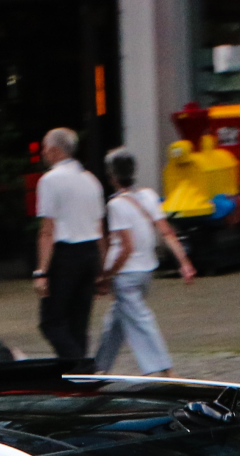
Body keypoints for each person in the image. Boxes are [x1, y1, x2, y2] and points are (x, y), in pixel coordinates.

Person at [92, 147, 193, 375]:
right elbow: (166, 232)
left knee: (141, 321)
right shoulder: (148, 196)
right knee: (117, 322)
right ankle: (98, 369)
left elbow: (126, 247)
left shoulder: (116, 205)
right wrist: (184, 261)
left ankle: (166, 370)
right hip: (147, 271)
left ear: (112, 176)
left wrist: (107, 274)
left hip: (126, 275)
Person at [30, 126, 104, 369]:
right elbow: (100, 228)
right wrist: (102, 268)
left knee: (51, 321)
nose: (42, 152)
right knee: (78, 322)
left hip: (66, 254)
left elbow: (47, 230)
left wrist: (41, 270)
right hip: (90, 251)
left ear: (54, 150)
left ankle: (82, 366)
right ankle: (76, 376)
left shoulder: (50, 180)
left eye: (44, 147)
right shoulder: (91, 180)